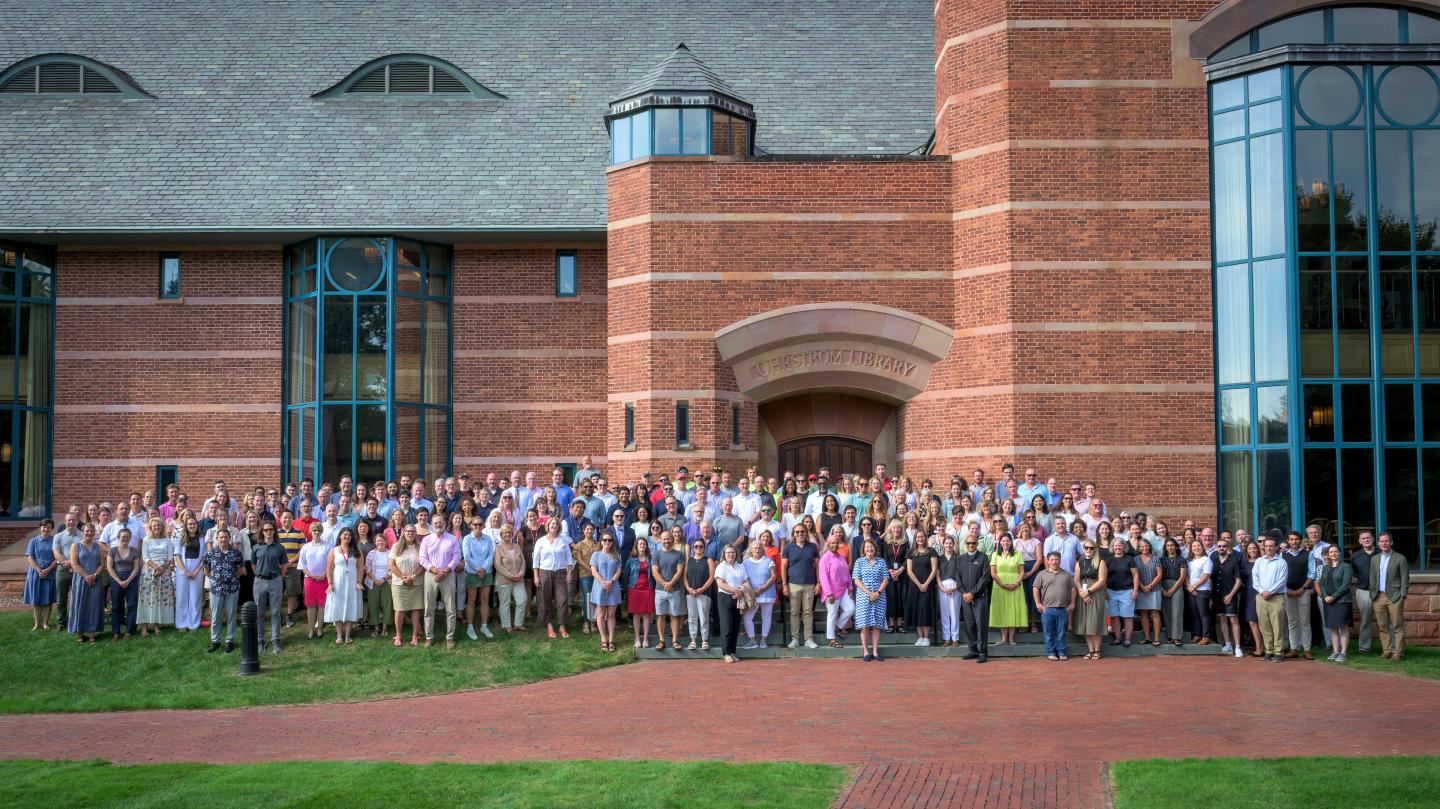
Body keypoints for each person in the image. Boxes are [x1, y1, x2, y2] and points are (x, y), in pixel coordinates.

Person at [420, 515, 461, 648]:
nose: (438, 524)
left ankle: (450, 637)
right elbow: (422, 559)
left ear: (445, 523)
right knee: (429, 608)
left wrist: (445, 571)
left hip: (448, 575)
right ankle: (429, 637)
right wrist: (435, 571)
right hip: (430, 576)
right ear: (432, 524)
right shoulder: (426, 540)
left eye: (441, 522)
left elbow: (456, 557)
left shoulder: (453, 539)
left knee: (450, 608)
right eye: (436, 523)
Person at [203, 528, 244, 653]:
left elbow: (240, 570)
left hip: (232, 588)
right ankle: (215, 641)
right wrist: (215, 579)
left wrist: (232, 578)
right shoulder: (211, 553)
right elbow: (206, 569)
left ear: (229, 538)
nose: (223, 539)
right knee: (216, 616)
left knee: (231, 616)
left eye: (225, 537)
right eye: (221, 537)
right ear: (217, 539)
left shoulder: (236, 553)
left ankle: (229, 641)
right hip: (216, 589)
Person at [1370, 531, 1409, 661]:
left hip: (1395, 596)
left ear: (1391, 542)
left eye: (1386, 541)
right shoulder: (1374, 559)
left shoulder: (1400, 558)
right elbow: (1372, 578)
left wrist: (1403, 595)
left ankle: (1398, 653)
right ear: (1378, 543)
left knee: (1397, 626)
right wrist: (1372, 594)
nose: (1384, 543)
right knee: (1383, 626)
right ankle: (1386, 651)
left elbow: (1405, 578)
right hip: (1378, 597)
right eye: (1381, 541)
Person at [782, 523, 820, 650]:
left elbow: (817, 566)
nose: (800, 534)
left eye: (802, 531)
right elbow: (783, 567)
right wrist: (784, 584)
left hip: (809, 584)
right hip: (793, 584)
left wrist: (818, 582)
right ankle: (795, 639)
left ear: (806, 533)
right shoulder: (788, 547)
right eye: (797, 532)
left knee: (808, 612)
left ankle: (809, 639)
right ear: (793, 534)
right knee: (794, 612)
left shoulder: (813, 547)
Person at [252, 521, 288, 653]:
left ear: (274, 531)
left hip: (275, 581)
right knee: (259, 613)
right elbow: (253, 564)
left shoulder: (280, 548)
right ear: (262, 531)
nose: (268, 532)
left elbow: (284, 564)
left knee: (275, 612)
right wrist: (259, 575)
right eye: (266, 530)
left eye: (270, 530)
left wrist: (280, 577)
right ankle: (260, 640)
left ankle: (275, 640)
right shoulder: (256, 547)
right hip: (260, 582)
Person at [1252, 535, 1289, 662]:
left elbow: (1281, 581)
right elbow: (1255, 579)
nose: (1268, 548)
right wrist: (1262, 591)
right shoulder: (1259, 561)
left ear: (1276, 547)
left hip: (1277, 597)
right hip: (1261, 597)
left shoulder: (1282, 562)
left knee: (1278, 625)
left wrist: (1270, 592)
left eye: (1271, 546)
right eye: (1266, 546)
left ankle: (1279, 652)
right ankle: (1269, 650)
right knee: (1264, 625)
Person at [852, 537, 889, 662]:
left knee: (877, 625)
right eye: (867, 547)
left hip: (880, 595)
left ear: (875, 549)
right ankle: (866, 652)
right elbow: (856, 580)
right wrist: (869, 593)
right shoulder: (859, 562)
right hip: (864, 596)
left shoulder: (881, 562)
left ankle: (875, 651)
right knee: (865, 625)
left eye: (871, 547)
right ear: (864, 549)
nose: (869, 549)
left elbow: (886, 579)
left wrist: (877, 592)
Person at [956, 533, 992, 662]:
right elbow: (957, 579)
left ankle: (982, 652)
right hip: (966, 598)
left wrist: (972, 593)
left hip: (979, 597)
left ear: (977, 544)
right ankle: (973, 650)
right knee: (969, 625)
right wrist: (965, 594)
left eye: (973, 543)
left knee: (981, 625)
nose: (971, 545)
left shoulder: (983, 558)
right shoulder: (960, 559)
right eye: (968, 543)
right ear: (965, 545)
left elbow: (984, 579)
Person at [325, 527, 364, 644]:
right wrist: (330, 583)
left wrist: (359, 582)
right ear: (340, 536)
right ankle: (339, 635)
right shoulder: (334, 550)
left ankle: (348, 635)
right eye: (344, 534)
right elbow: (330, 568)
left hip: (352, 583)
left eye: (349, 535)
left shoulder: (356, 550)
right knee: (338, 606)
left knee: (350, 606)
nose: (347, 537)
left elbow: (361, 568)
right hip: (338, 583)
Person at [1034, 551, 1075, 660]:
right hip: (1047, 609)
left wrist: (1072, 602)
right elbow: (1036, 588)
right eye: (1052, 559)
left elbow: (1073, 589)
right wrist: (1038, 603)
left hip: (1063, 609)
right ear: (1047, 561)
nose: (1054, 561)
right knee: (1048, 633)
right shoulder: (1042, 574)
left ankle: (1061, 652)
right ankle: (1051, 652)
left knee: (1061, 633)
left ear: (1060, 560)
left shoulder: (1067, 574)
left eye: (1056, 559)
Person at [137, 517, 175, 635]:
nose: (157, 528)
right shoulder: (146, 540)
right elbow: (145, 557)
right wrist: (156, 568)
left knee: (159, 598)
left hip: (164, 573)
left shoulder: (167, 540)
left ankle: (156, 625)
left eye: (159, 525)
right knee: (147, 599)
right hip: (149, 572)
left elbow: (170, 557)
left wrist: (162, 569)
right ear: (150, 528)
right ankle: (144, 626)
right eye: (154, 526)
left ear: (162, 527)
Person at [1316, 544, 1353, 663]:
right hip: (1328, 601)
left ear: (1340, 553)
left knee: (1342, 626)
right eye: (1331, 552)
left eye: (1335, 551)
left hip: (1342, 601)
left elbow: (1346, 584)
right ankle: (1335, 651)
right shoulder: (1326, 568)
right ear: (1328, 554)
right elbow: (1321, 584)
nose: (1333, 554)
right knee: (1332, 627)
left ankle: (1343, 653)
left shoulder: (1346, 566)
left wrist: (1334, 596)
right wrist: (1325, 596)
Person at [388, 525, 424, 646]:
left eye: (413, 531)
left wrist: (412, 577)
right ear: (403, 533)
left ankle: (415, 635)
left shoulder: (420, 547)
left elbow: (423, 565)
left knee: (415, 608)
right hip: (399, 583)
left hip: (416, 582)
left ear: (416, 533)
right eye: (408, 531)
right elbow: (391, 565)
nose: (410, 533)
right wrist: (404, 577)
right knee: (399, 609)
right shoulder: (396, 546)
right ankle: (398, 635)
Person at [741, 534, 778, 649]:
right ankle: (752, 641)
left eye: (759, 548)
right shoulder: (745, 562)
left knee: (766, 617)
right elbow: (743, 577)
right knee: (747, 617)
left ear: (763, 549)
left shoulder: (769, 561)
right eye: (755, 548)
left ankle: (763, 641)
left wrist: (762, 588)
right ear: (751, 550)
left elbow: (773, 576)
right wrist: (750, 590)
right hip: (751, 595)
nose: (757, 550)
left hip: (767, 594)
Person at [651, 529, 687, 651]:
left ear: (672, 539)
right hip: (660, 590)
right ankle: (661, 640)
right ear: (661, 540)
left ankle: (675, 640)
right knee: (660, 615)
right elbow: (654, 572)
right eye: (664, 539)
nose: (666, 541)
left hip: (675, 590)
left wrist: (670, 583)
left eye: (668, 538)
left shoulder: (679, 554)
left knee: (674, 615)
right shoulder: (656, 554)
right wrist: (665, 584)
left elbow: (680, 571)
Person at [989, 532, 1026, 646]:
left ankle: (1011, 638)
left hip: (1015, 585)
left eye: (1007, 541)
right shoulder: (995, 554)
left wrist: (1017, 583)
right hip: (999, 585)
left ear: (1011, 542)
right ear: (1000, 542)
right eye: (1003, 541)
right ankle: (1004, 638)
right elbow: (993, 573)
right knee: (1002, 610)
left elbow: (1021, 571)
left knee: (1013, 609)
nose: (1005, 543)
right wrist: (1002, 584)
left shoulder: (1018, 554)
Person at [462, 518, 496, 641]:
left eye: (480, 524)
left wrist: (484, 569)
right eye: (475, 524)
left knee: (485, 599)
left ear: (483, 525)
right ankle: (470, 627)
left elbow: (490, 555)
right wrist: (478, 569)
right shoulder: (467, 539)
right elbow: (467, 556)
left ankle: (484, 626)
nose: (477, 526)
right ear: (471, 526)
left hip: (486, 572)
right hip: (472, 572)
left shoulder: (487, 538)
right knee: (471, 600)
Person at [819, 531, 855, 649]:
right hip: (831, 592)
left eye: (837, 543)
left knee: (851, 609)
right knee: (832, 614)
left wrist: (850, 586)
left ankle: (839, 626)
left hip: (843, 589)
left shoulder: (841, 557)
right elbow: (823, 577)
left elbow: (847, 573)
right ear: (828, 544)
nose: (835, 545)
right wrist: (829, 593)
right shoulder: (825, 558)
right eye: (832, 543)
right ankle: (832, 639)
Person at [1210, 535, 1244, 658]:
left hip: (1230, 594)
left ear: (1227, 547)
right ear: (1216, 548)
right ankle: (1228, 644)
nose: (1221, 548)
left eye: (1224, 546)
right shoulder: (1213, 558)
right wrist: (1210, 596)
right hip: (1216, 595)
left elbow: (1238, 580)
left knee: (1233, 620)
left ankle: (1238, 647)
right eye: (1219, 546)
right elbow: (1210, 579)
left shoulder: (1233, 560)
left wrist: (1230, 595)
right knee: (1222, 619)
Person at [713, 544, 748, 663]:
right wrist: (736, 590)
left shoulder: (740, 566)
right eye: (728, 552)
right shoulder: (721, 567)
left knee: (735, 626)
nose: (731, 554)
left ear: (736, 554)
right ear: (724, 554)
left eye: (732, 552)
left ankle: (733, 652)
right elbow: (720, 584)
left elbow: (745, 581)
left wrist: (740, 591)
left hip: (738, 597)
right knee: (726, 626)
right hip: (725, 598)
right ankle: (726, 653)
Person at [1073, 540, 1107, 659]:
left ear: (1095, 549)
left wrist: (1088, 591)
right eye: (1086, 548)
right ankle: (1091, 650)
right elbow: (1076, 580)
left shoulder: (1100, 562)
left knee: (1095, 621)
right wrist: (1081, 592)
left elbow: (1102, 580)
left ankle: (1097, 650)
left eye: (1091, 548)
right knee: (1085, 622)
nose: (1089, 550)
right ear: (1083, 548)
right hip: (1082, 594)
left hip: (1095, 593)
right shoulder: (1079, 563)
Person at [1281, 531, 1313, 658]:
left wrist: (1303, 588)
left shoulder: (1308, 554)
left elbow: (1312, 573)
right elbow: (1280, 574)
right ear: (1288, 541)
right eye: (1291, 539)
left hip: (1303, 592)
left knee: (1305, 622)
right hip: (1287, 592)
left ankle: (1307, 649)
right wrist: (1286, 589)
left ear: (1300, 540)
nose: (1294, 541)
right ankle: (1294, 648)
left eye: (1296, 539)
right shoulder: (1282, 555)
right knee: (1292, 621)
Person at [589, 532, 623, 652]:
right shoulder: (596, 555)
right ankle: (603, 639)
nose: (607, 542)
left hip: (613, 586)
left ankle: (611, 640)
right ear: (601, 541)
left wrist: (611, 582)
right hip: (600, 586)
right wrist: (604, 582)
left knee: (611, 615)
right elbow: (594, 571)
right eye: (604, 540)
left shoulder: (616, 555)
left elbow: (619, 570)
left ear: (612, 542)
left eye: (609, 540)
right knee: (601, 614)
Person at [904, 528, 939, 647]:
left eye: (922, 537)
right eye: (918, 537)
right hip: (915, 585)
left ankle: (927, 637)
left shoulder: (931, 551)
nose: (920, 539)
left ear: (925, 538)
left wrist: (926, 584)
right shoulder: (910, 552)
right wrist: (919, 584)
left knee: (926, 609)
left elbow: (934, 570)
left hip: (927, 585)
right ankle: (920, 637)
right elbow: (909, 571)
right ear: (915, 539)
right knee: (917, 610)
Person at [1103, 536, 1139, 647]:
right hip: (1111, 591)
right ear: (1113, 547)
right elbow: (1103, 577)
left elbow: (1136, 575)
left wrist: (1135, 590)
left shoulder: (1129, 559)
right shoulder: (1109, 560)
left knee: (1127, 616)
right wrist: (1104, 590)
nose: (1118, 547)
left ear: (1124, 546)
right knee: (1114, 616)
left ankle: (1127, 638)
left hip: (1127, 591)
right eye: (1116, 545)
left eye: (1120, 545)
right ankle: (1118, 638)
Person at [173, 516, 206, 633]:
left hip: (197, 570)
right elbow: (177, 556)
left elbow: (204, 557)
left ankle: (193, 624)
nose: (192, 526)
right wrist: (185, 571)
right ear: (186, 526)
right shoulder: (180, 539)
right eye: (190, 524)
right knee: (182, 598)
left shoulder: (202, 539)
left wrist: (196, 571)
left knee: (195, 598)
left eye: (194, 524)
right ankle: (182, 623)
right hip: (183, 570)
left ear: (197, 526)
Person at [23, 519, 58, 631]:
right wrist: (39, 570)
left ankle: (45, 624)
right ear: (40, 528)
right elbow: (30, 557)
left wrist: (47, 570)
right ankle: (37, 623)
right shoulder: (33, 541)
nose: (46, 529)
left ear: (51, 528)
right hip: (35, 572)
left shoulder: (54, 541)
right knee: (36, 599)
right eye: (44, 527)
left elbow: (56, 558)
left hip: (50, 572)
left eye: (48, 527)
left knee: (48, 599)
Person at [299, 522, 331, 639]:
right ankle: (311, 629)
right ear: (311, 532)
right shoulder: (306, 547)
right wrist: (311, 575)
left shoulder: (328, 546)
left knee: (322, 605)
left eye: (318, 530)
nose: (316, 532)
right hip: (310, 580)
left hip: (323, 579)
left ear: (321, 532)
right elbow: (302, 564)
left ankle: (320, 629)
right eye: (314, 530)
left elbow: (330, 564)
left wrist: (324, 575)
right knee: (311, 606)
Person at [492, 525, 527, 633]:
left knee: (522, 600)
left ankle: (518, 624)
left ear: (512, 534)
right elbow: (497, 564)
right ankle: (507, 625)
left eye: (509, 532)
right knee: (505, 603)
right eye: (505, 533)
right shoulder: (498, 547)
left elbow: (523, 561)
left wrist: (521, 572)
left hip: (518, 580)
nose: (507, 534)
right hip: (504, 580)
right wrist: (510, 576)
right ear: (501, 535)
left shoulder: (516, 546)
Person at [683, 537, 715, 651]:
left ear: (704, 548)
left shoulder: (708, 560)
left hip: (704, 593)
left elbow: (711, 577)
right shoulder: (689, 560)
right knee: (692, 618)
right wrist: (688, 588)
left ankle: (704, 640)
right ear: (693, 548)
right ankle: (693, 640)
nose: (698, 548)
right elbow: (684, 577)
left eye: (700, 546)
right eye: (696, 546)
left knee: (703, 617)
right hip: (690, 594)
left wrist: (701, 589)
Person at [1350, 531, 1378, 654]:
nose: (1366, 540)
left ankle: (1391, 647)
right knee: (1365, 620)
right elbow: (1354, 572)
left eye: (1368, 537)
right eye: (1363, 538)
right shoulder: (1356, 555)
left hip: (1381, 592)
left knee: (1386, 621)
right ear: (1360, 541)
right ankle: (1364, 646)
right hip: (1363, 591)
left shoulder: (1381, 553)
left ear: (1373, 539)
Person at [625, 536, 655, 648]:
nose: (642, 546)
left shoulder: (651, 559)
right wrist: (626, 591)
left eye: (644, 544)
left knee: (647, 614)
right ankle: (637, 638)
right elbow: (625, 576)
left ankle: (646, 639)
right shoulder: (631, 560)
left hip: (648, 589)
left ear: (646, 546)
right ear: (636, 546)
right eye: (640, 544)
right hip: (634, 589)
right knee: (636, 614)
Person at [935, 535, 964, 647]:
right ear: (943, 545)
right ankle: (946, 638)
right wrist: (941, 587)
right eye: (946, 543)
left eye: (950, 543)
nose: (948, 545)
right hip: (942, 585)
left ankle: (955, 638)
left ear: (953, 544)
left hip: (955, 586)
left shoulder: (958, 558)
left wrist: (956, 587)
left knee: (955, 613)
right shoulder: (939, 558)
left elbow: (961, 574)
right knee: (945, 613)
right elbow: (937, 574)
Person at [1184, 538, 1213, 646]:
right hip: (1191, 590)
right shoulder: (1189, 561)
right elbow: (1186, 575)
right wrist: (1189, 587)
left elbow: (1206, 575)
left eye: (1198, 546)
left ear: (1202, 547)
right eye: (1194, 546)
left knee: (1204, 614)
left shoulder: (1206, 559)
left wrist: (1195, 586)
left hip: (1202, 590)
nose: (1196, 548)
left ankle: (1206, 636)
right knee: (1194, 614)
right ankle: (1197, 635)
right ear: (1191, 549)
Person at [1158, 537, 1187, 646]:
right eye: (1168, 545)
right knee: (1167, 612)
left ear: (1176, 546)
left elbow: (1182, 577)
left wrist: (1172, 590)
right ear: (1165, 548)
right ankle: (1170, 636)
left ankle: (1177, 637)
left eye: (1172, 545)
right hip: (1163, 585)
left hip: (1177, 586)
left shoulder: (1181, 559)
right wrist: (1162, 589)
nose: (1170, 547)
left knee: (1177, 612)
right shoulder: (1161, 560)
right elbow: (1158, 575)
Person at [882, 526, 909, 633]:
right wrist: (890, 570)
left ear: (901, 530)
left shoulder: (905, 543)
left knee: (901, 597)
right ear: (890, 530)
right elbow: (885, 558)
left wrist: (900, 570)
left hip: (902, 574)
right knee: (891, 597)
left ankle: (899, 623)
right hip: (889, 574)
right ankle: (891, 623)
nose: (896, 530)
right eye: (894, 528)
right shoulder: (887, 543)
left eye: (898, 528)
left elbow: (907, 558)